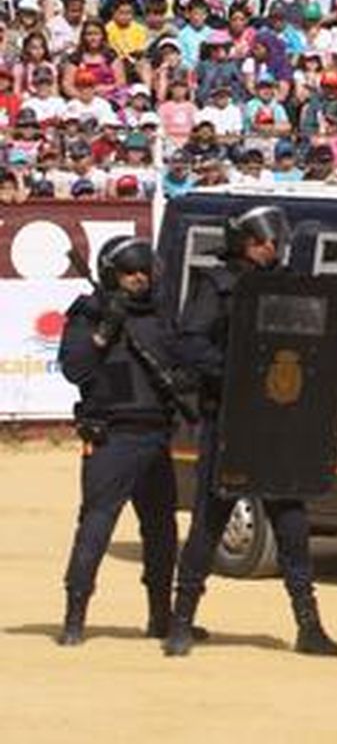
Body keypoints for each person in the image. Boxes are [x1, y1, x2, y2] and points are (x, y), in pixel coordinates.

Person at [164, 205, 337, 657]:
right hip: (230, 419)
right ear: (243, 241)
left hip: (279, 421)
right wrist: (233, 371)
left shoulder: (285, 285)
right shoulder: (218, 286)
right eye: (264, 241)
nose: (272, 247)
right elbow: (189, 344)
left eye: (274, 241)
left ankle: (309, 625)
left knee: (293, 526)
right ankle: (181, 620)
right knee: (209, 521)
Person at [56, 236, 193, 646]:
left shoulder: (160, 315)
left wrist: (182, 380)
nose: (139, 279)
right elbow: (76, 369)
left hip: (154, 436)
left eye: (144, 272)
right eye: (130, 272)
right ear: (111, 274)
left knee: (162, 530)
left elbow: (184, 362)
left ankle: (160, 617)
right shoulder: (89, 313)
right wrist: (104, 332)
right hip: (111, 436)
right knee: (96, 526)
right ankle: (74, 618)